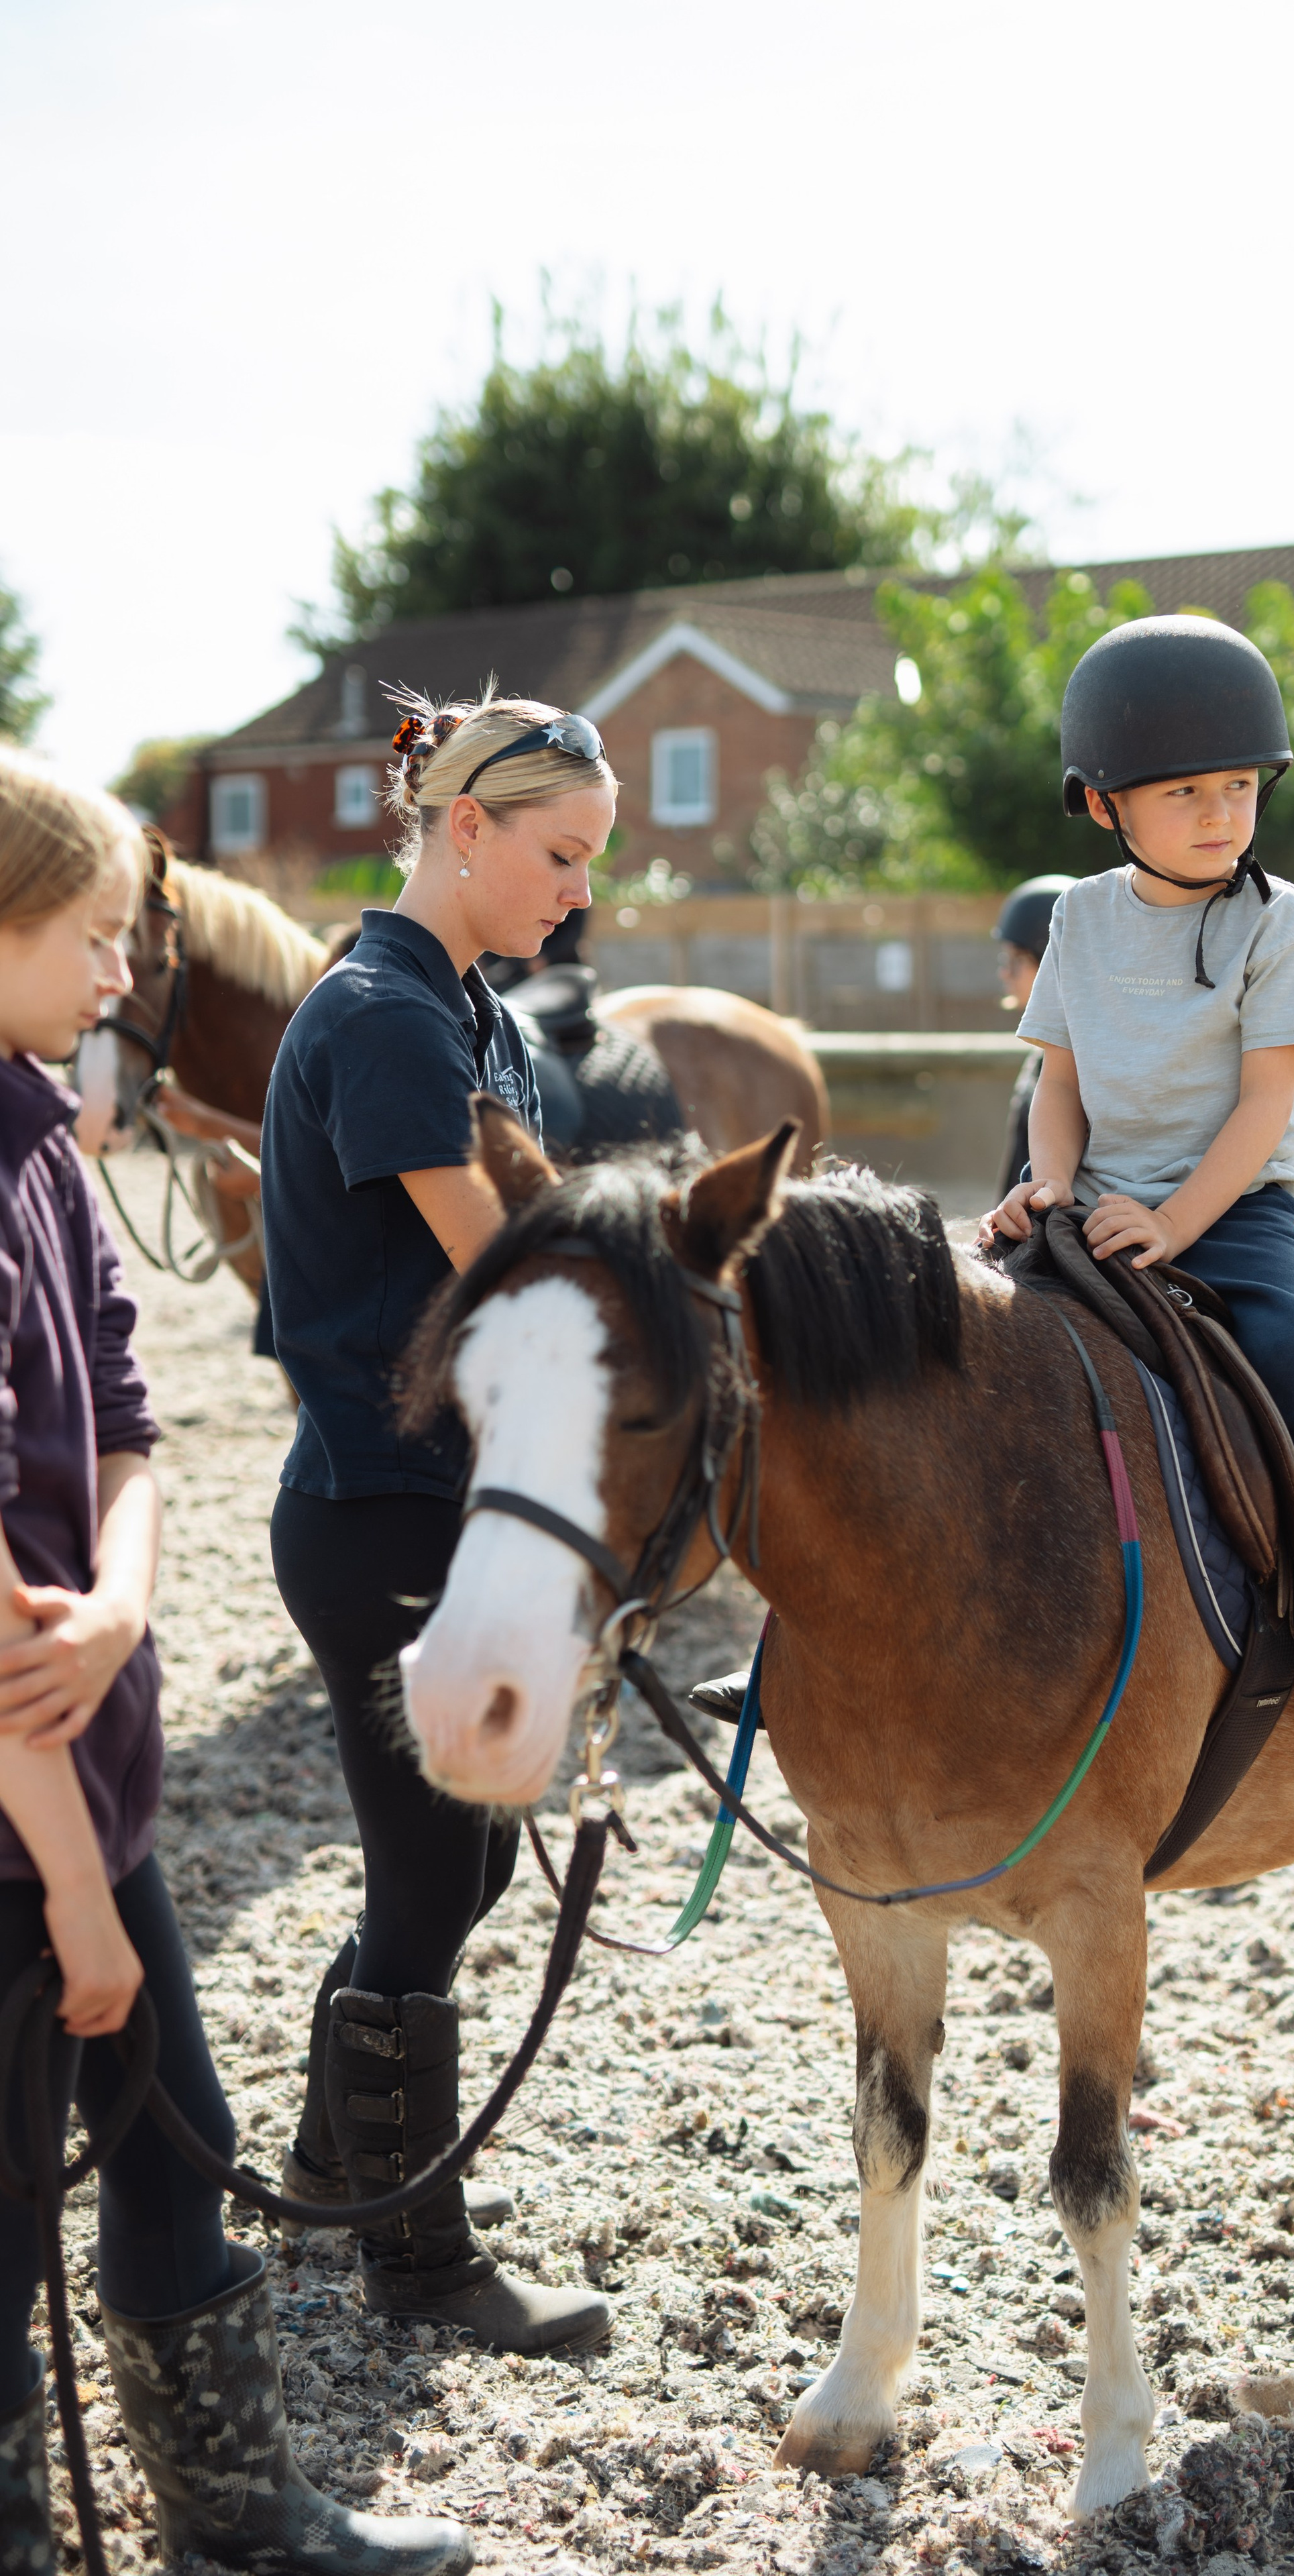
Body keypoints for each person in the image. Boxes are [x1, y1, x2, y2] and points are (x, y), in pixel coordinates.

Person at [0, 750, 468, 2575]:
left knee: (180, 2151)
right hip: (28, 1821)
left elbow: (127, 1414)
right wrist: (74, 1889)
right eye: (94, 935)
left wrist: (121, 1605)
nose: (124, 974)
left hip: (85, 1776)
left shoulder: (44, 1139)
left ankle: (241, 2517)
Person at [260, 692, 616, 2356]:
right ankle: (413, 2262)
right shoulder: (388, 1018)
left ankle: (328, 2166)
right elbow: (510, 1274)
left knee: (462, 1854)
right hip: (382, 1506)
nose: (577, 894)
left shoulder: (475, 1012)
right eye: (558, 854)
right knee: (427, 1872)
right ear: (461, 823)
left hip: (451, 1505)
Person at [980, 616, 1294, 1751]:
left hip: (1236, 1210)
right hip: (1096, 1201)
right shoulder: (1079, 920)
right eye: (1185, 792)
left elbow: (1263, 1108)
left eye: (1239, 787)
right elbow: (1059, 1083)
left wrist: (1178, 1221)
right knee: (945, 1332)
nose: (1221, 815)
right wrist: (1046, 1187)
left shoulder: (1282, 926)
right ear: (1104, 806)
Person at [992, 874, 1077, 1203]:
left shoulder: (1082, 1065)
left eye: (1015, 960)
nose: (1004, 973)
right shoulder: (1043, 1053)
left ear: (1050, 962)